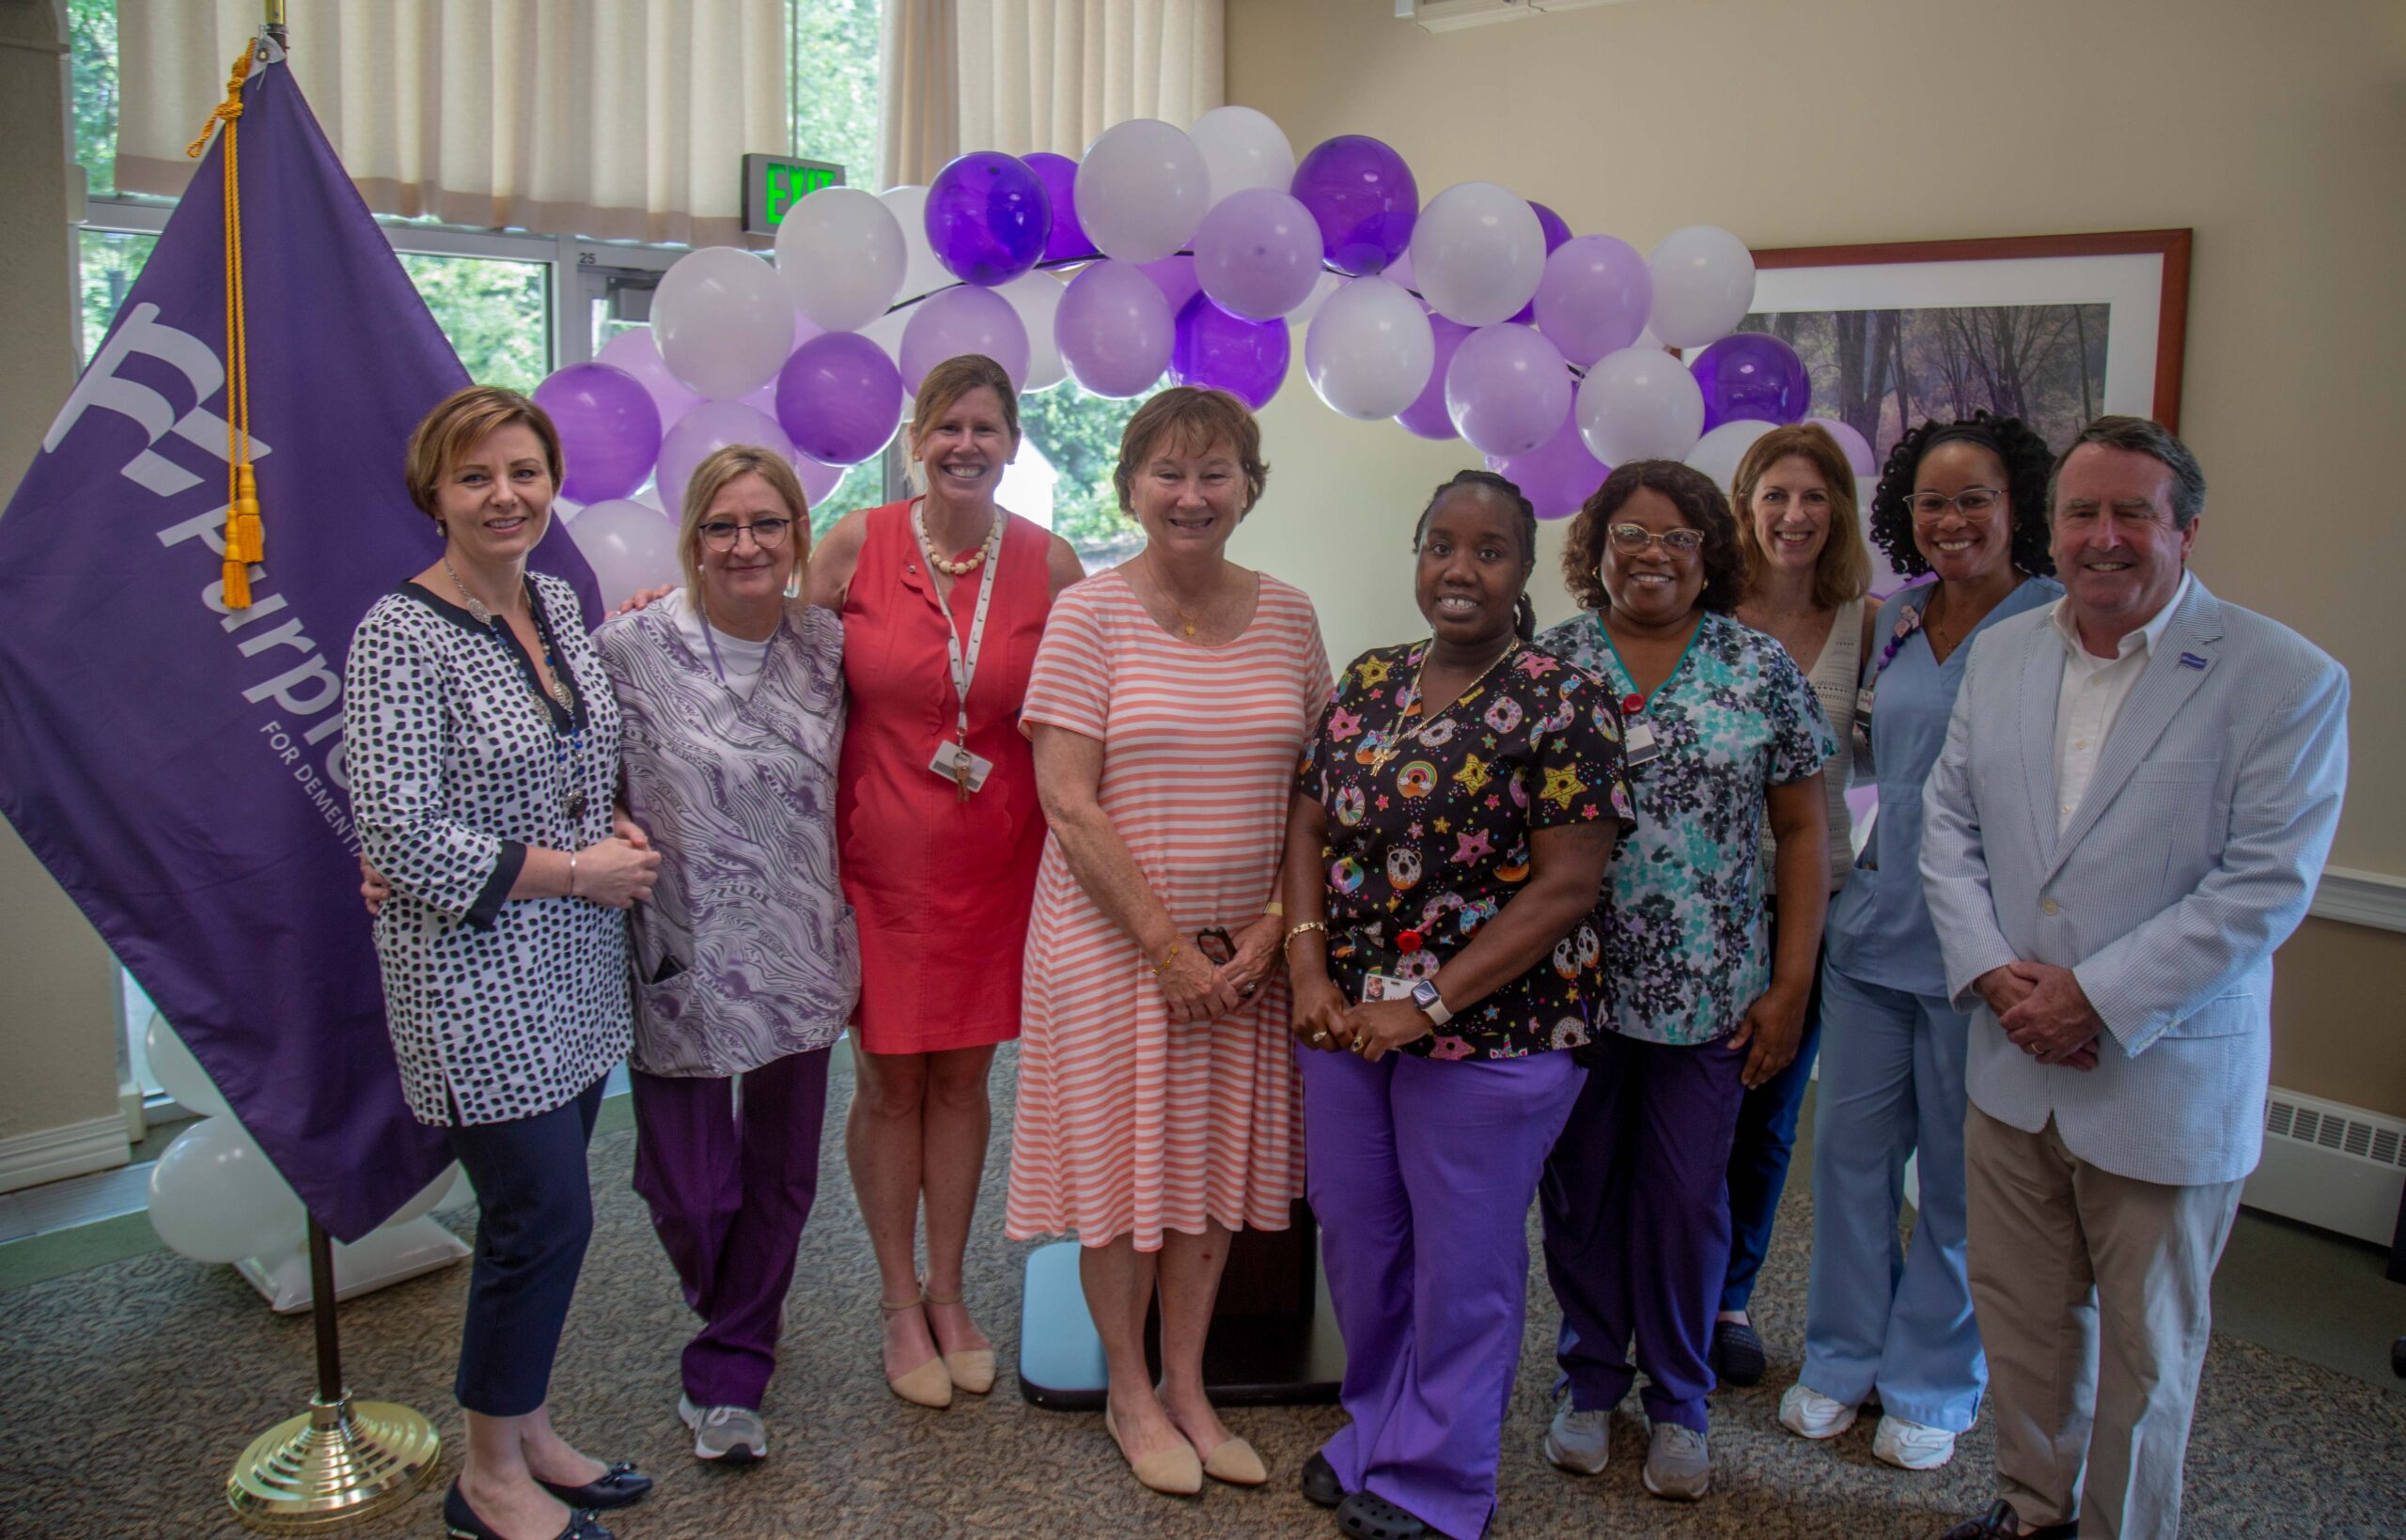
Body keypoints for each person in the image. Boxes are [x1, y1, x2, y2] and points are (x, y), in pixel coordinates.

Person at [1922, 417, 2348, 1540]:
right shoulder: (2005, 652)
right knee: (2022, 1320)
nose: (2102, 537)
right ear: (2049, 527)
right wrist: (1996, 977)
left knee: (2149, 1349)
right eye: (2079, 513)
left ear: (2185, 531)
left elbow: (2261, 886)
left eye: (2131, 514)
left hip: (2158, 1072)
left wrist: (2090, 997)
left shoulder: (2285, 678)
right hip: (2010, 1062)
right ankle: (2031, 1510)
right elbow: (1945, 823)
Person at [1285, 471, 1633, 1540]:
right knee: (1361, 1240)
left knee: (1462, 1263)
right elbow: (1307, 818)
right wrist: (1305, 966)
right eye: (1442, 544)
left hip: (1494, 1037)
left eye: (1488, 551)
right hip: (1347, 1026)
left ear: (1524, 570)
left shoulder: (1562, 697)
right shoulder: (1371, 677)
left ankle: (1440, 1484)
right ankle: (1374, 1432)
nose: (1459, 570)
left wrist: (1427, 1005)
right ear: (1417, 552)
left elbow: (1569, 882)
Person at [347, 386, 659, 1540]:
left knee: (547, 1216)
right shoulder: (399, 634)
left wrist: (615, 833)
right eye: (476, 476)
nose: (505, 495)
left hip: (573, 972)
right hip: (472, 981)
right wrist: (578, 870)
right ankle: (486, 1479)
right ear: (435, 491)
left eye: (524, 471)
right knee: (543, 1219)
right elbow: (402, 835)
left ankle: (526, 1434)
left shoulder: (564, 607)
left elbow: (588, 768)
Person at [1007, 386, 1331, 1497]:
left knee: (1208, 1173)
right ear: (1130, 487)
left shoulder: (1289, 614)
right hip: (1112, 953)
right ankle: (1127, 1390)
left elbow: (1312, 795)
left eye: (1216, 473)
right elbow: (1068, 802)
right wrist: (1167, 952)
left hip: (1243, 962)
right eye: (1168, 473)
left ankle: (1187, 1383)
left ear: (1249, 486)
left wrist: (1262, 936)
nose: (1191, 495)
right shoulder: (1089, 615)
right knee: (1120, 1180)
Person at [1534, 460, 1835, 1502]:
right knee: (1578, 1195)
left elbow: (1801, 829)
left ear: (1709, 552)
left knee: (1682, 1200)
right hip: (1570, 988)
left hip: (1710, 993)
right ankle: (1585, 1382)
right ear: (1596, 545)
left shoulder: (1756, 668)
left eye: (1675, 536)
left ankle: (1677, 1401)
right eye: (1629, 533)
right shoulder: (1555, 661)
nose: (1650, 553)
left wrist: (1791, 981)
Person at [1782, 412, 2064, 1473]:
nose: (1950, 521)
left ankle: (1933, 1381)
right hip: (1871, 930)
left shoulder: (2049, 625)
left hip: (1976, 952)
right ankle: (1842, 1357)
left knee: (1951, 1182)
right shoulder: (1895, 619)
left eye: (1972, 499)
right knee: (1848, 1163)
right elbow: (1847, 749)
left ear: (2014, 508)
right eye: (1930, 502)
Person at [805, 354, 1085, 1408]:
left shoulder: (1052, 566)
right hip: (874, 865)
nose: (966, 444)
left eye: (986, 426)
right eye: (946, 425)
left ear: (1013, 442)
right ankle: (893, 1299)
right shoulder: (854, 545)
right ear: (915, 438)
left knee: (965, 1081)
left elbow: (1092, 706)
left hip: (995, 865)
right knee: (888, 1081)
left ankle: (952, 1290)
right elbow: (769, 672)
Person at [591, 445, 855, 1466]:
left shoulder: (831, 648)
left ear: (797, 536)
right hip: (681, 949)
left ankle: (733, 1365)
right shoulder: (627, 647)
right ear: (692, 539)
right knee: (687, 1187)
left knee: (783, 1175)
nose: (745, 545)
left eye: (767, 524)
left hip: (800, 940)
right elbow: (576, 780)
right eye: (721, 526)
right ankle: (737, 1307)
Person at [1711, 423, 1875, 1388]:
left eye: (1814, 498)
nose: (1794, 516)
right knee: (1682, 1114)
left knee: (1767, 1116)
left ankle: (1729, 1297)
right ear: (1746, 507)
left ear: (1838, 513)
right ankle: (1660, 1288)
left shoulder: (1871, 623)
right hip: (1694, 903)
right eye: (1774, 495)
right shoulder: (1703, 612)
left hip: (1807, 905)